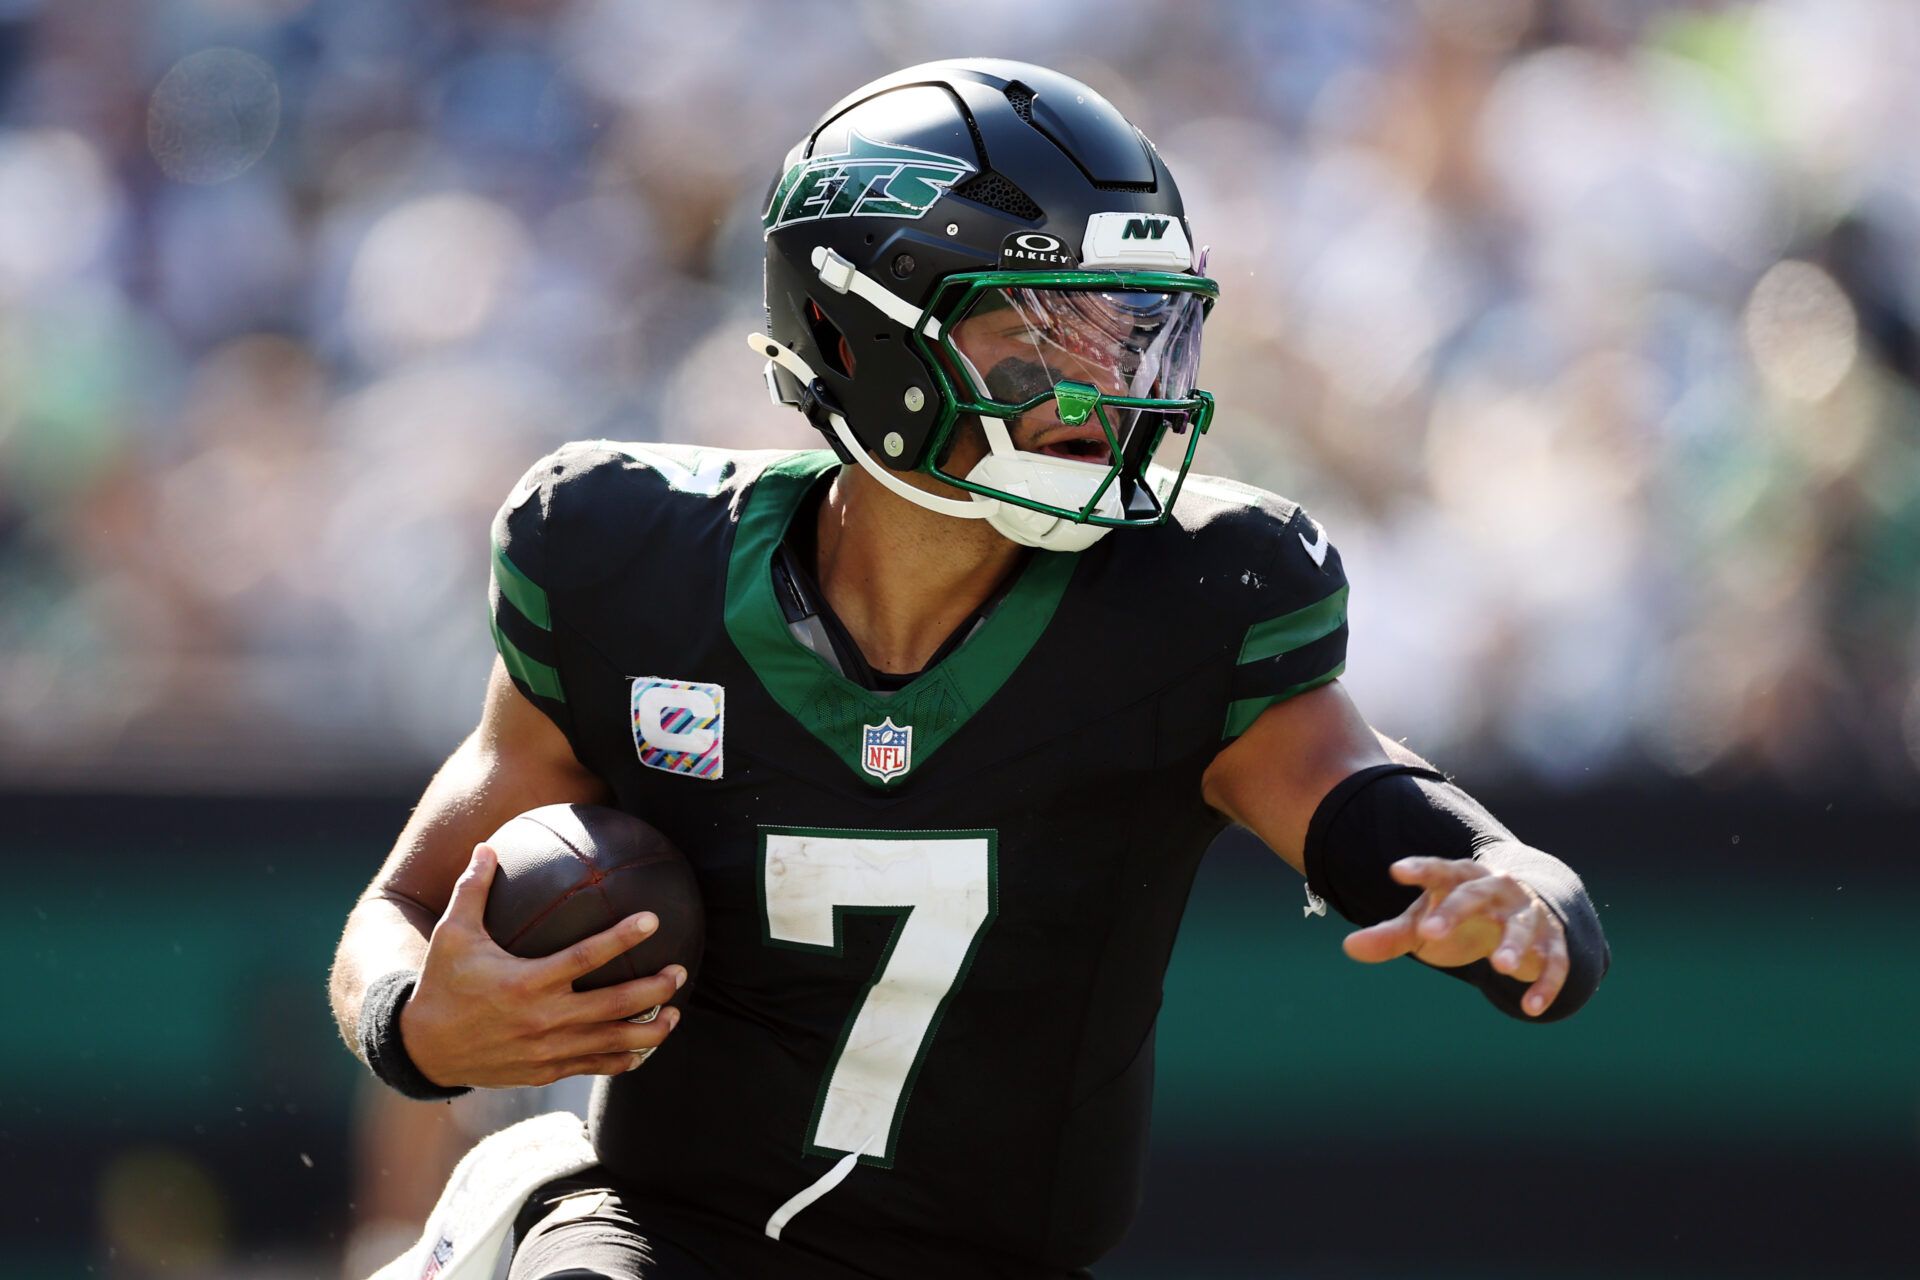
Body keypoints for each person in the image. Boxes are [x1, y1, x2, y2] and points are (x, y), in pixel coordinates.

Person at [328, 58, 1610, 1280]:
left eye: (1134, 334)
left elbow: (1364, 799)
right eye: (1047, 333)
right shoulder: (628, 565)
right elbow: (398, 912)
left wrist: (1512, 883)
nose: (1109, 388)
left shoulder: (1192, 600)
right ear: (851, 327)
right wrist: (413, 1020)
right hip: (658, 1236)